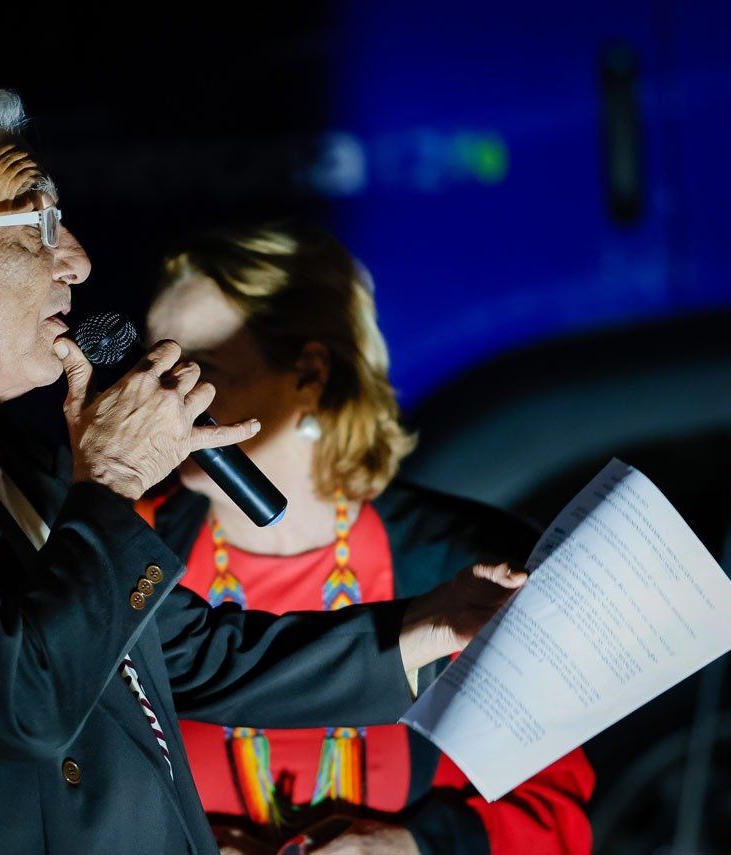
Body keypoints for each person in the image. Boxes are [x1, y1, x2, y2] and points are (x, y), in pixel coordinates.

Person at [0, 88, 529, 853]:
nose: (75, 259)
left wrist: (421, 626)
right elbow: (26, 698)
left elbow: (195, 652)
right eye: (37, 220)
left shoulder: (13, 459)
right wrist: (108, 480)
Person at [141, 221, 595, 854]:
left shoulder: (465, 562)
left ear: (310, 374)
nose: (162, 400)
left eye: (200, 370)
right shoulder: (125, 551)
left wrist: (407, 846)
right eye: (152, 368)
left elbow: (552, 814)